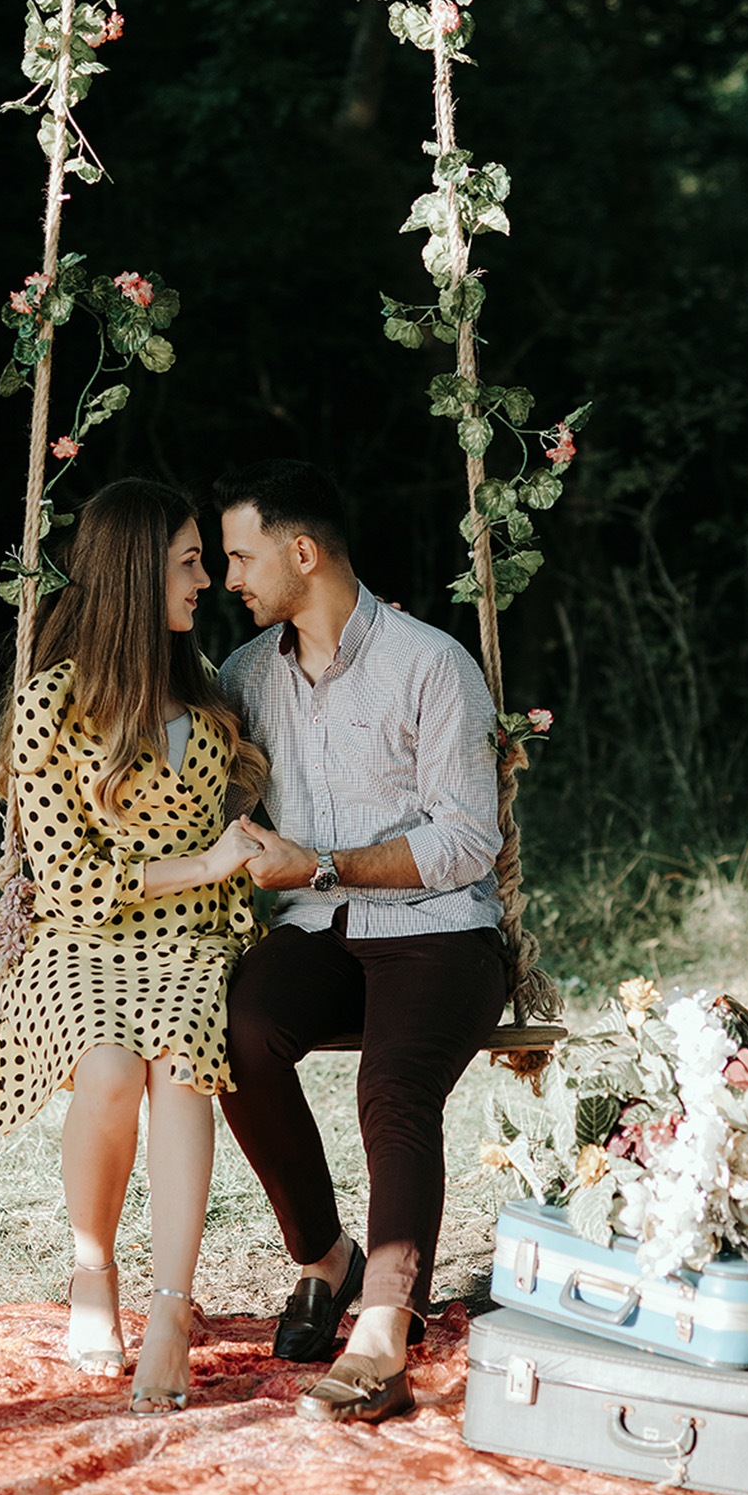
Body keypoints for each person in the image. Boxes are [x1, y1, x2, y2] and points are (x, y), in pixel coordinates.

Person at [213, 458, 510, 1425]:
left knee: (393, 1084)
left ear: (302, 552)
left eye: (241, 556)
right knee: (237, 1030)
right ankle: (324, 1258)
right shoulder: (247, 676)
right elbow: (208, 808)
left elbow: (467, 839)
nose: (229, 579)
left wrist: (323, 864)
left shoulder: (431, 664)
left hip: (440, 930)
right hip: (320, 928)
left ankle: (384, 1328)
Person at [0, 477, 263, 1416]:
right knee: (104, 1065)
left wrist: (238, 860)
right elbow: (70, 885)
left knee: (181, 1062)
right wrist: (206, 858)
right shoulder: (51, 708)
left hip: (191, 942)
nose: (206, 579)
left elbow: (227, 845)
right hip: (79, 939)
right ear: (138, 575)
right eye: (186, 562)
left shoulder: (206, 694)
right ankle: (91, 1266)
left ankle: (171, 1312)